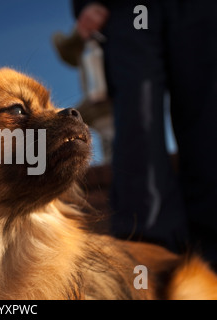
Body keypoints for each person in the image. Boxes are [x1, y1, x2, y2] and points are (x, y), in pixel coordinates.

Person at [71, 0, 217, 267]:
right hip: (132, 8)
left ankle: (211, 256)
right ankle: (149, 257)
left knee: (209, 120)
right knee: (138, 119)